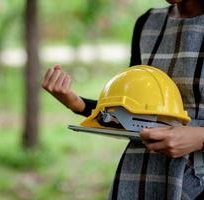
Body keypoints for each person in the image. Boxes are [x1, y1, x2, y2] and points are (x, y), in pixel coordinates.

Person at [42, 0, 204, 199]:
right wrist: (77, 103)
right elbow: (132, 112)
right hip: (144, 174)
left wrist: (199, 137)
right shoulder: (148, 23)